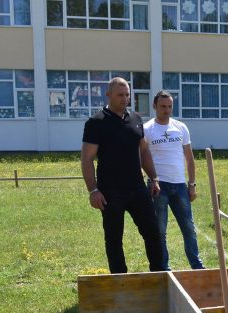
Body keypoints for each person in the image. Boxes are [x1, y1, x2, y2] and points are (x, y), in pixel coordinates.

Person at [80, 77, 164, 273]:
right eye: (120, 95)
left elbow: (143, 151)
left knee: (153, 233)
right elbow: (87, 159)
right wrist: (93, 190)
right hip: (110, 192)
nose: (125, 98)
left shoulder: (135, 119)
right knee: (114, 239)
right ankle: (119, 281)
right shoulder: (96, 122)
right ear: (108, 94)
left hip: (137, 188)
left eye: (127, 95)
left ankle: (159, 275)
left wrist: (154, 178)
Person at [143, 90, 205, 270]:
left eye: (170, 106)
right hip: (158, 186)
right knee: (160, 231)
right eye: (163, 106)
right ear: (155, 106)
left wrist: (192, 184)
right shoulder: (147, 129)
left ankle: (197, 265)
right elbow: (142, 157)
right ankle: (164, 268)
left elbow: (189, 157)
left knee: (189, 228)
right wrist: (150, 179)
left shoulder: (181, 127)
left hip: (179, 186)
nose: (167, 110)